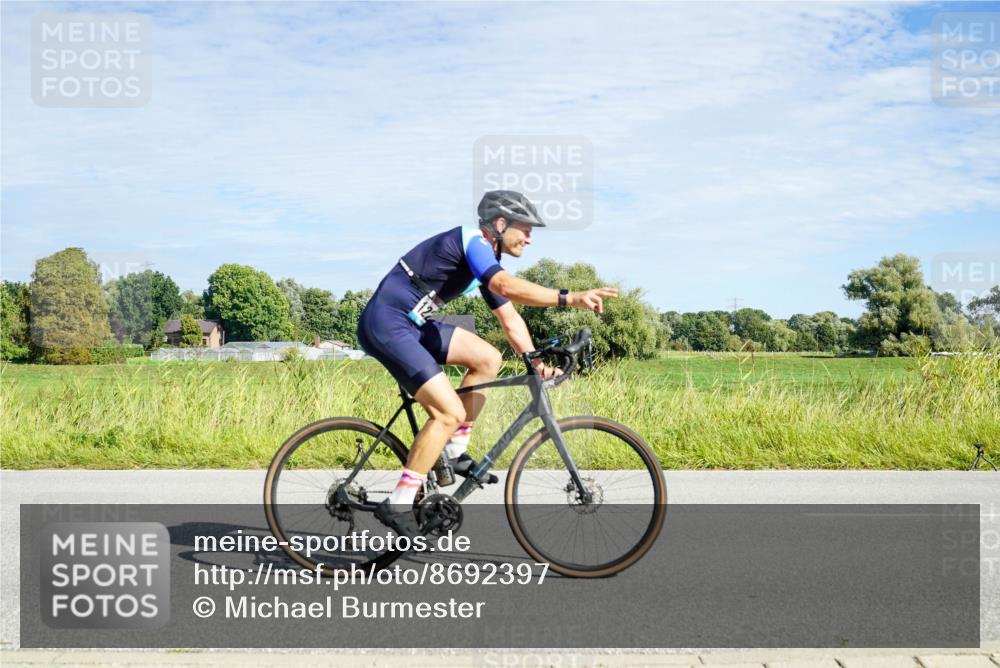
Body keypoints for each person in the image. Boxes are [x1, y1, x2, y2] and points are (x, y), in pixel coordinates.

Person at [356, 190, 618, 537]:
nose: (530, 238)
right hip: (386, 324)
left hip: (411, 325)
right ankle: (400, 501)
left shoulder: (485, 262)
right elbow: (506, 285)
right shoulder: (472, 241)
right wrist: (569, 298)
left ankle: (455, 449)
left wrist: (535, 365)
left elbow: (510, 321)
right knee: (448, 413)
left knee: (488, 358)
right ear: (500, 224)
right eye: (525, 229)